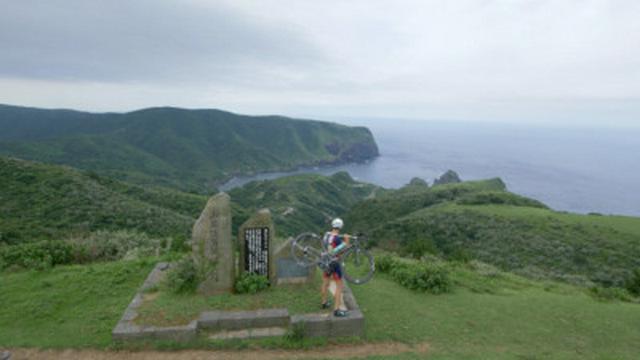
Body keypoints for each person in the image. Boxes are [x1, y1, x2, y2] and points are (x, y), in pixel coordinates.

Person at [320, 217, 350, 317]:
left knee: (325, 283)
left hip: (326, 262)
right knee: (339, 286)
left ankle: (324, 303)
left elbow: (325, 248)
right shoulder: (337, 239)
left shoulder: (326, 235)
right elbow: (341, 250)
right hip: (335, 263)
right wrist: (346, 241)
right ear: (340, 227)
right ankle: (336, 310)